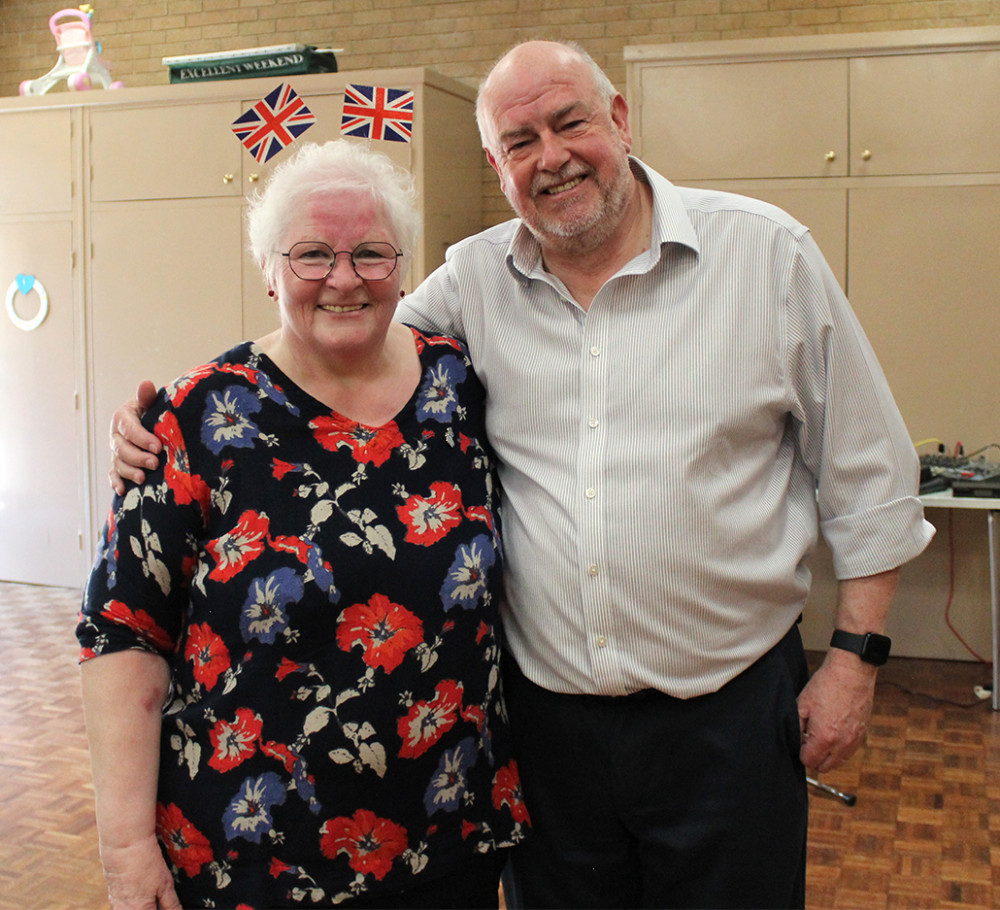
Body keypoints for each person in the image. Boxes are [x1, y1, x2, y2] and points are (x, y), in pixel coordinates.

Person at [108, 40, 934, 909]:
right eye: (519, 141)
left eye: (569, 121)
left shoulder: (768, 258)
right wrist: (170, 420)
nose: (552, 156)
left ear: (618, 119)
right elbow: (335, 344)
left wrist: (854, 661)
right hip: (547, 738)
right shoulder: (471, 282)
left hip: (726, 718)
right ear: (497, 167)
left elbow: (869, 472)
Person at [78, 139, 528, 910]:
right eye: (312, 254)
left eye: (371, 254)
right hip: (254, 855)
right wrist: (124, 847)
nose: (344, 278)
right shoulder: (197, 420)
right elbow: (123, 631)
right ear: (268, 269)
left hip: (447, 839)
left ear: (404, 265)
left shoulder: (462, 386)